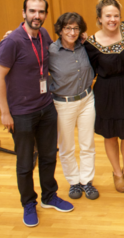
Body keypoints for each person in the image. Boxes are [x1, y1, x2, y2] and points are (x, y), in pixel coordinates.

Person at [0, 0, 74, 227]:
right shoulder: (12, 41)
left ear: (45, 15)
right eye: (32, 11)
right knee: (26, 162)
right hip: (21, 112)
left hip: (46, 106)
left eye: (40, 12)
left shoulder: (44, 35)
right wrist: (5, 113)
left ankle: (49, 196)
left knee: (49, 155)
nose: (36, 16)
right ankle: (29, 203)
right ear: (24, 13)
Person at [84, 0, 124, 194]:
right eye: (108, 16)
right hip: (106, 91)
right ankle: (116, 173)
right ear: (99, 18)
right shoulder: (90, 43)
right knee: (110, 135)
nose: (113, 19)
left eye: (116, 15)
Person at [49, 13, 99, 200]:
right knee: (67, 146)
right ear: (60, 30)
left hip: (87, 99)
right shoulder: (51, 51)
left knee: (88, 144)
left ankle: (87, 181)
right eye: (68, 28)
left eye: (76, 28)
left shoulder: (85, 46)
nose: (72, 32)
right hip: (63, 104)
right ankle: (73, 182)